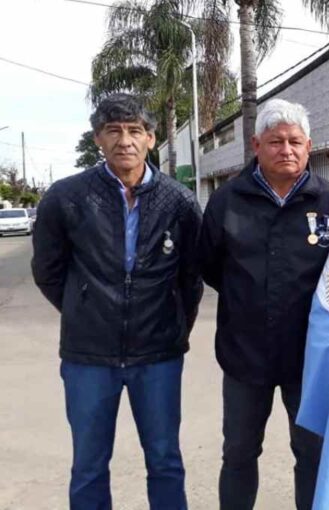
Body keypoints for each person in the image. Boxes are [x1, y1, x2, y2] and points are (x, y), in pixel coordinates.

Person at [31, 93, 203, 510]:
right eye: (114, 131)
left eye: (134, 131)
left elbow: (191, 277)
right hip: (87, 357)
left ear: (150, 138)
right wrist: (84, 306)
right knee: (89, 464)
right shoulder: (66, 197)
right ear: (98, 140)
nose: (124, 140)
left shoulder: (178, 200)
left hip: (157, 355)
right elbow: (48, 270)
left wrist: (172, 325)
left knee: (164, 460)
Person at [198, 98, 329, 510]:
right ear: (256, 145)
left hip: (311, 360)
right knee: (239, 453)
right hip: (244, 358)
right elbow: (211, 266)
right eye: (275, 141)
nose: (286, 150)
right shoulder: (227, 201)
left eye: (295, 142)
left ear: (309, 146)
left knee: (313, 455)